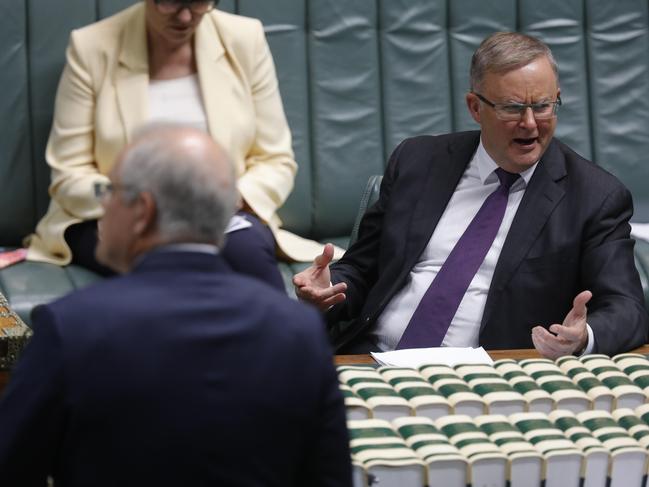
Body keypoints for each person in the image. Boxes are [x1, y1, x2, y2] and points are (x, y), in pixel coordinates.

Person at [0, 124, 352, 486]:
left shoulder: (69, 327)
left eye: (110, 191)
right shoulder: (299, 331)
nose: (103, 205)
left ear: (143, 211)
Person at [294, 32, 649, 358]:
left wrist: (584, 336)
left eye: (542, 106)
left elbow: (627, 307)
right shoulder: (418, 162)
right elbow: (361, 269)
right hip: (372, 357)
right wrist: (330, 288)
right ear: (475, 107)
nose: (530, 123)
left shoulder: (595, 197)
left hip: (491, 376)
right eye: (512, 108)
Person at [26, 0, 338, 290]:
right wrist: (138, 204)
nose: (186, 16)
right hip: (120, 215)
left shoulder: (245, 38)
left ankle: (281, 347)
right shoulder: (92, 46)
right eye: (172, 0)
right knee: (167, 267)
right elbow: (69, 174)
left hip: (222, 212)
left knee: (248, 255)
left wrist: (230, 196)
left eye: (200, 0)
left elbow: (276, 159)